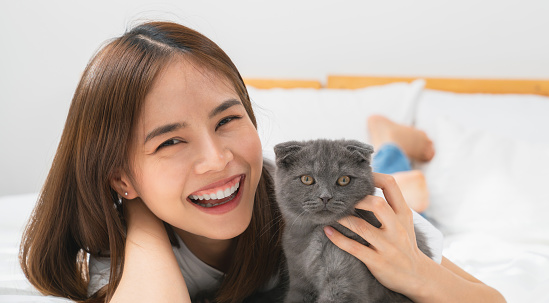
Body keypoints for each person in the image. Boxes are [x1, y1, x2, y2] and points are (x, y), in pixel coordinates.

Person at [19, 21, 506, 303]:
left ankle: (391, 144)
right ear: (121, 176)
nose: (217, 160)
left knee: (414, 196)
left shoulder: (322, 208)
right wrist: (138, 209)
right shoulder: (126, 258)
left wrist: (419, 274)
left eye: (227, 120)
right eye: (170, 143)